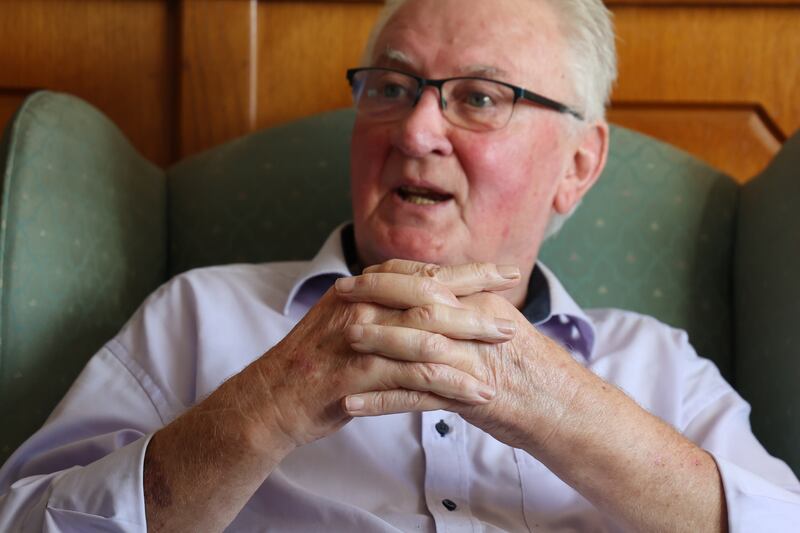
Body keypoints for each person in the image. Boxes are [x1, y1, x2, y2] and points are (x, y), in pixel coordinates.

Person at [1, 0, 799, 531]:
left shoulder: (661, 368)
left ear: (578, 165)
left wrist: (553, 403)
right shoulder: (196, 318)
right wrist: (269, 404)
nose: (416, 130)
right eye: (391, 86)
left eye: (480, 97)